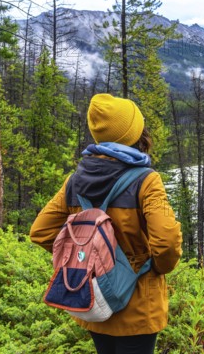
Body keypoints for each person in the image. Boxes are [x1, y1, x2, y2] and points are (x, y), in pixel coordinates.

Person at [30, 93, 182, 354]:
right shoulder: (147, 181)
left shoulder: (75, 180)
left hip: (94, 299)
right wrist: (153, 268)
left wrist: (84, 261)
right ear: (134, 132)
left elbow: (41, 232)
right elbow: (167, 242)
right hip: (138, 306)